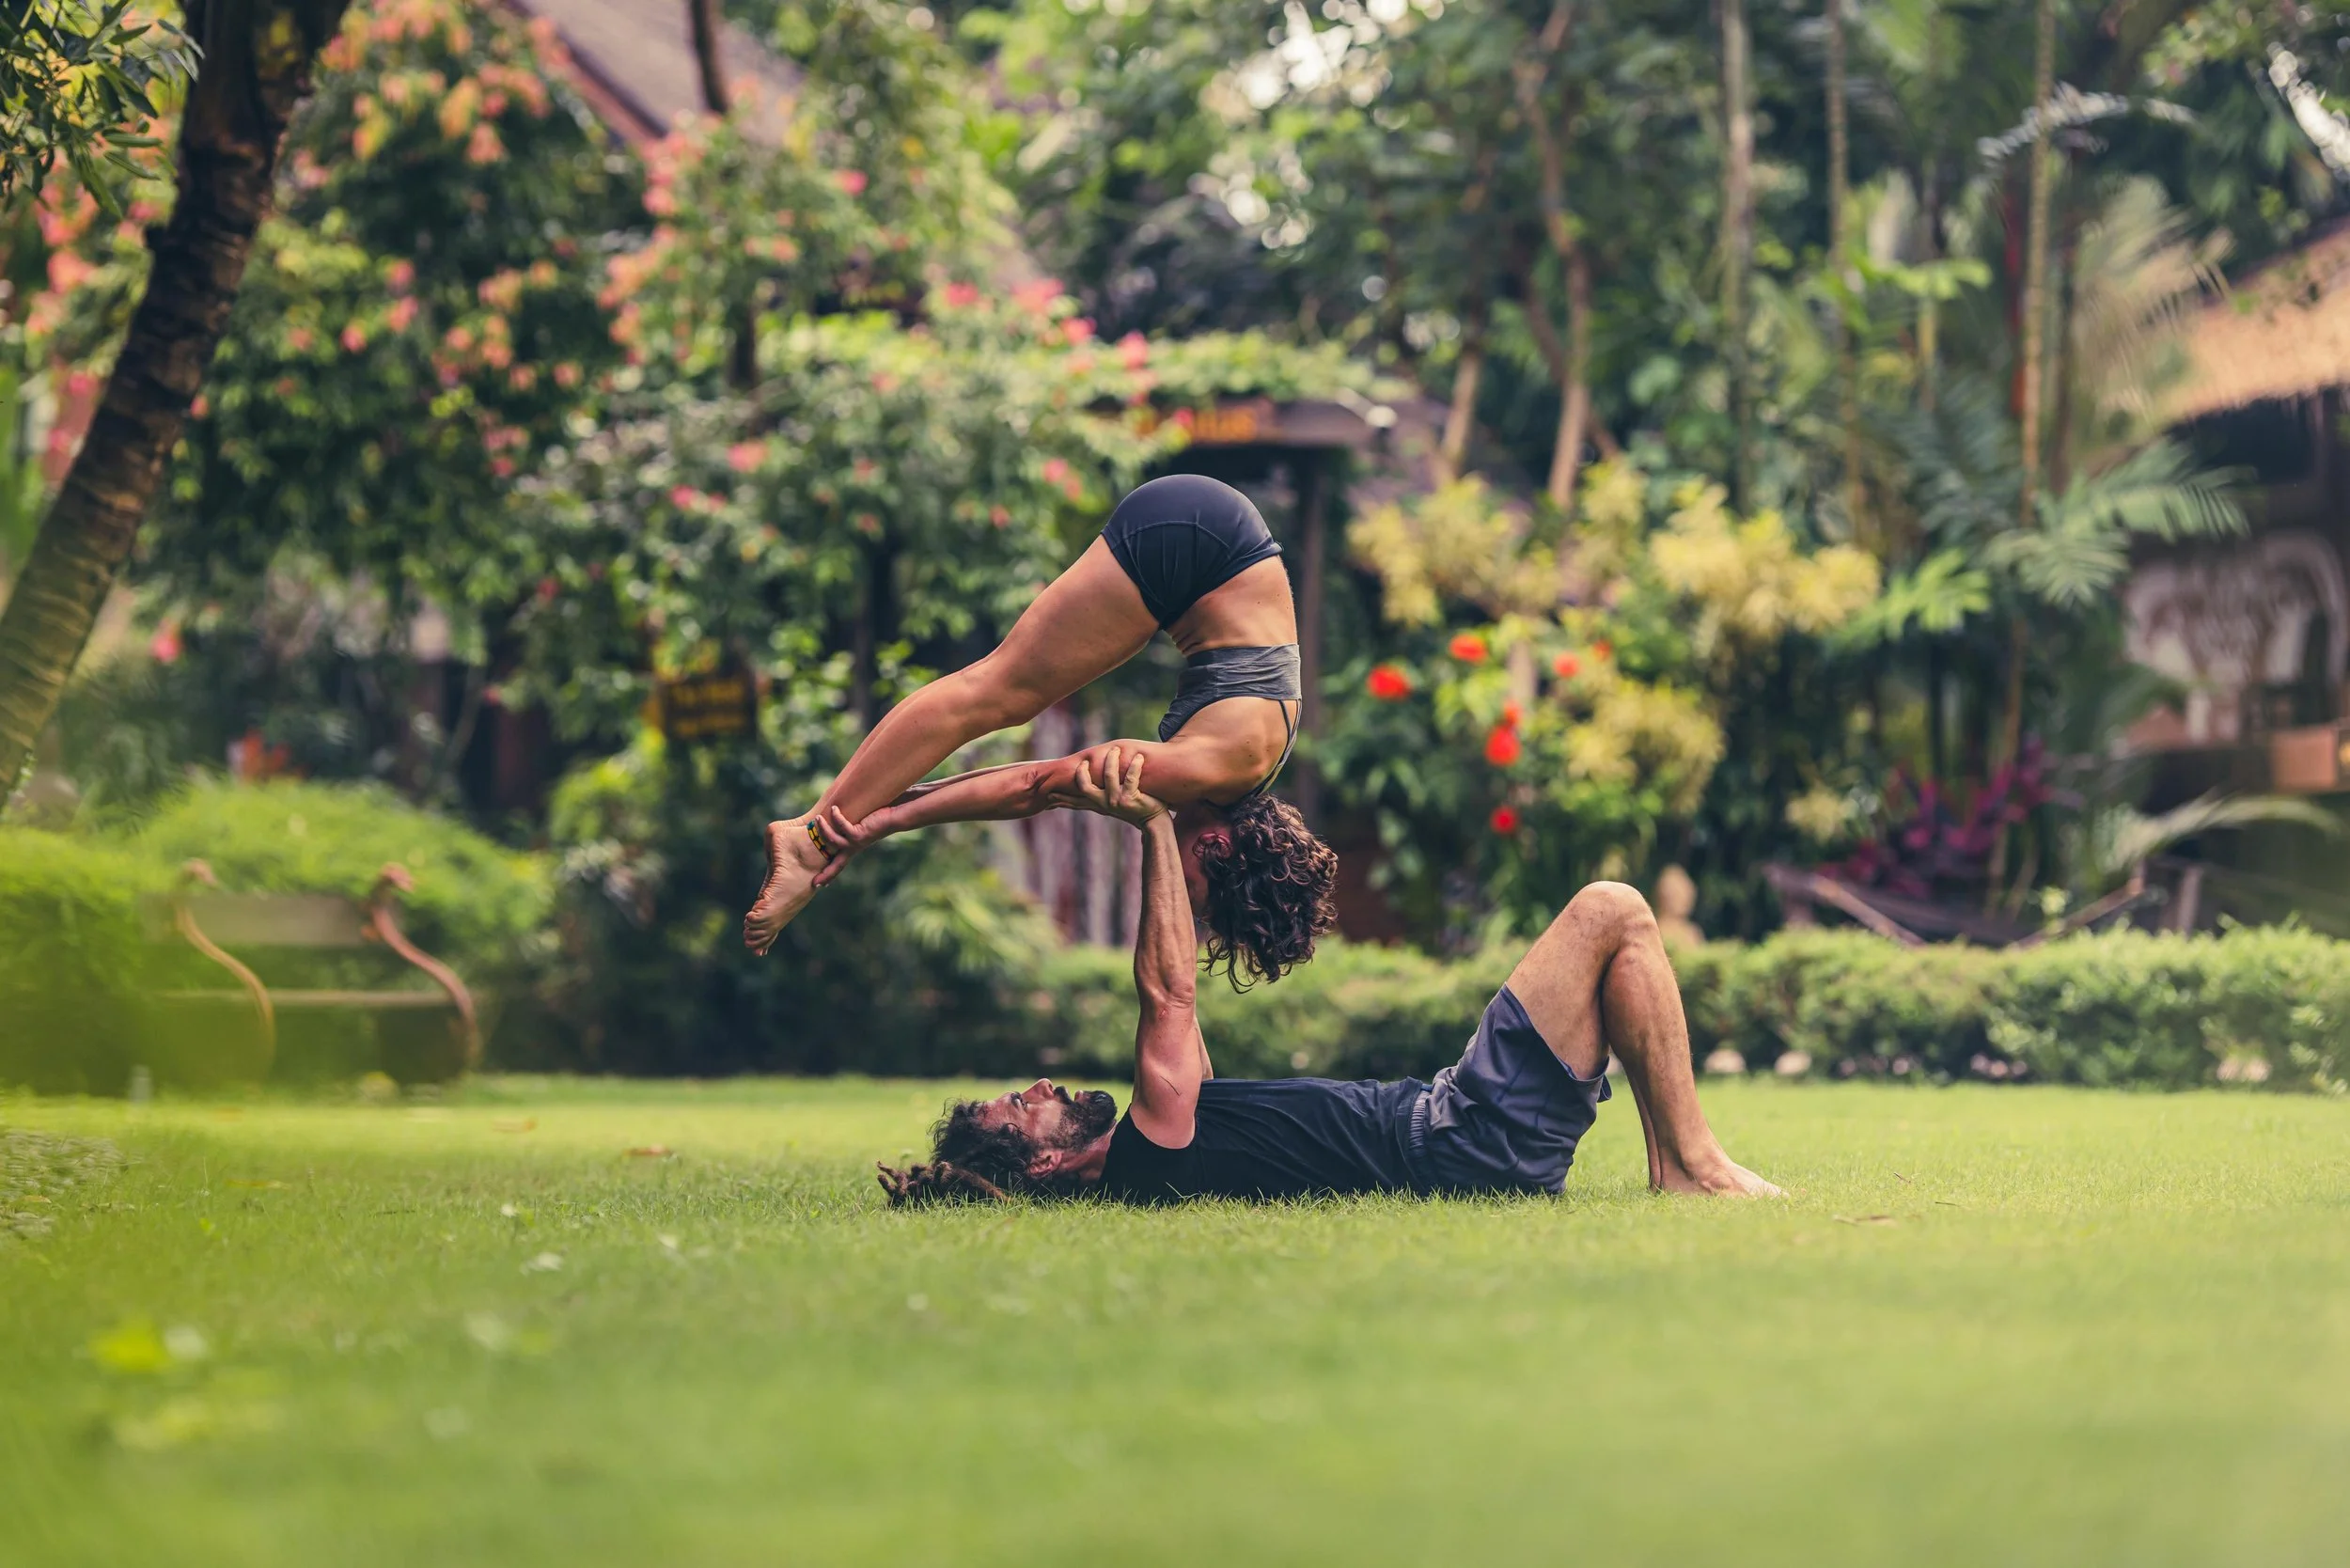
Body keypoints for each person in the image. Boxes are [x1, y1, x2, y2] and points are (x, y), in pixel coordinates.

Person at [877, 747, 1780, 1206]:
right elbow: (1166, 992)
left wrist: (1175, 843)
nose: (1038, 1086)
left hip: (1460, 1131)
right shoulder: (1153, 1147)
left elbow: (1177, 980)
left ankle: (1674, 1166)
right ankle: (1693, 1163)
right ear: (1039, 1161)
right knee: (1612, 907)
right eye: (1019, 1106)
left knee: (1619, 931)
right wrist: (1151, 825)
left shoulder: (1174, 1132)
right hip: (1459, 1140)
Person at [743, 474, 1334, 987]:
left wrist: (891, 808)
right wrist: (873, 825)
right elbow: (1038, 786)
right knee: (998, 692)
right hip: (1194, 542)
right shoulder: (1211, 769)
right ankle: (809, 839)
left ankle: (815, 833)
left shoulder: (1236, 775)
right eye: (1194, 889)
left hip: (1205, 541)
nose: (1177, 887)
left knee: (1002, 693)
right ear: (1216, 848)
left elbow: (1041, 786)